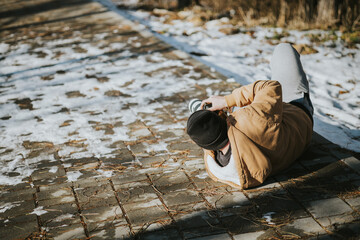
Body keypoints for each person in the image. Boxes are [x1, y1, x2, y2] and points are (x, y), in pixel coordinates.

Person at [186, 43, 314, 189]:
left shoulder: (217, 169)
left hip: (278, 151)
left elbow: (211, 137)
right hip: (298, 115)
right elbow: (271, 87)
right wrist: (227, 100)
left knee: (205, 124)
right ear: (223, 119)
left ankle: (201, 113)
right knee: (284, 50)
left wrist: (205, 123)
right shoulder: (248, 119)